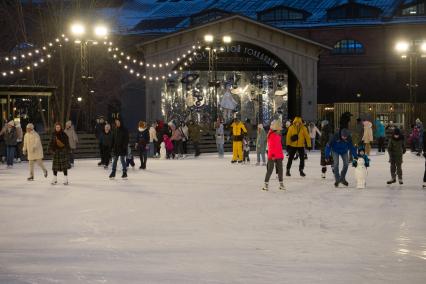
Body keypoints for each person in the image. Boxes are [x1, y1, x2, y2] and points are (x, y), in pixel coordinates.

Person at [262, 120, 285, 191]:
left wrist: (281, 155)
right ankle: (266, 184)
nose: (280, 130)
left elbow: (279, 146)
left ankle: (281, 184)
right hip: (272, 155)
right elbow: (271, 146)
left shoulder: (278, 135)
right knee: (270, 169)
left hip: (279, 155)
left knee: (280, 170)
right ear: (275, 129)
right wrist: (272, 155)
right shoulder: (271, 135)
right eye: (279, 129)